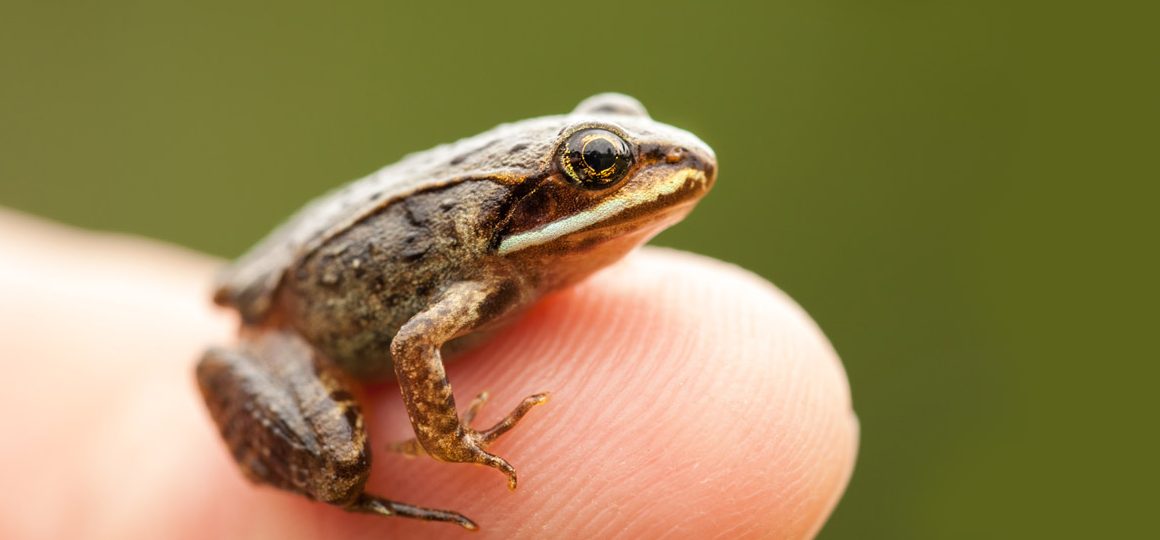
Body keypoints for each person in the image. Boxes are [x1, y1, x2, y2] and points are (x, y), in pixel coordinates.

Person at [0, 210, 858, 539]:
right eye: (597, 166)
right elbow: (417, 341)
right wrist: (450, 441)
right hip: (299, 341)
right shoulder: (482, 272)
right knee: (342, 460)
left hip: (296, 270)